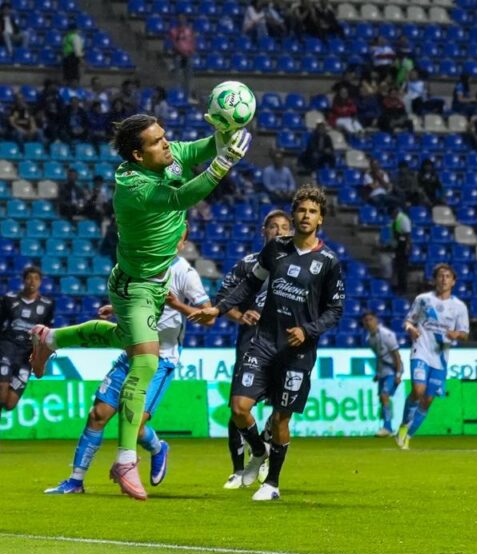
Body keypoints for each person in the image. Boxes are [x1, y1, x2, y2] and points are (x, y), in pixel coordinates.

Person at [28, 115, 252, 496]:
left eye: (165, 136)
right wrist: (223, 164)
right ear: (137, 155)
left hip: (151, 283)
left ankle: (50, 339)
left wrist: (225, 133)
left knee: (123, 339)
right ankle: (125, 460)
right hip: (136, 287)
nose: (166, 144)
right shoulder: (134, 187)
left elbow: (201, 147)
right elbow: (181, 197)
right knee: (146, 362)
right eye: (156, 141)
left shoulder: (166, 156)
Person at [190, 184, 345, 501]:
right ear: (294, 215)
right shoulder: (275, 249)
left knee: (280, 419)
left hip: (296, 351)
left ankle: (272, 483)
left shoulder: (328, 261)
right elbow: (249, 284)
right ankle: (258, 451)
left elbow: (335, 310)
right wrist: (219, 309)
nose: (306, 216)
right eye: (301, 210)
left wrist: (308, 330)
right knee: (239, 408)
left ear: (321, 219)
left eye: (313, 212)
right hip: (263, 342)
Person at [45, 232, 211, 498]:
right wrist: (116, 308)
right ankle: (75, 481)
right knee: (98, 414)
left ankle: (157, 448)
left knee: (135, 423)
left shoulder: (185, 274)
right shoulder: (144, 264)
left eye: (178, 238)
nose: (172, 241)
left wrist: (177, 304)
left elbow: (209, 317)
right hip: (131, 351)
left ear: (183, 243)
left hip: (161, 358)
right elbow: (139, 301)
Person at [212, 209, 293, 487]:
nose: (279, 231)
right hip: (251, 343)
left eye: (284, 227)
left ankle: (266, 453)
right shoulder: (247, 264)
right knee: (239, 407)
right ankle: (239, 468)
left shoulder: (300, 266)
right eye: (273, 226)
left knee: (280, 410)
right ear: (264, 231)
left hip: (285, 346)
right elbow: (223, 299)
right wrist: (240, 315)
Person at [395, 264, 469, 450]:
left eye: (448, 276)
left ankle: (408, 435)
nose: (444, 279)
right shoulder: (423, 300)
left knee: (427, 400)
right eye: (440, 276)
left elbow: (465, 334)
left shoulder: (459, 307)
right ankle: (404, 424)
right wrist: (411, 329)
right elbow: (408, 321)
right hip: (421, 350)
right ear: (435, 279)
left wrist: (456, 334)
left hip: (440, 358)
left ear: (453, 281)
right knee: (418, 390)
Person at [0, 266, 55, 453]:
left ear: (40, 282)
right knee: (2, 390)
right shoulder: (10, 299)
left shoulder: (47, 304)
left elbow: (47, 333)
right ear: (24, 280)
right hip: (7, 348)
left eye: (36, 278)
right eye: (29, 278)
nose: (32, 282)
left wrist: (42, 357)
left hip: (26, 356)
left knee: (9, 404)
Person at [362, 311, 402, 437]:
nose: (369, 322)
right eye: (366, 320)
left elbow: (396, 355)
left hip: (392, 369)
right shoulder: (369, 338)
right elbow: (379, 357)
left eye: (371, 319)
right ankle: (387, 426)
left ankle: (387, 427)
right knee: (382, 398)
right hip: (383, 371)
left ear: (376, 320)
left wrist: (398, 374)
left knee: (385, 396)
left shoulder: (386, 334)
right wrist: (378, 373)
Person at [167, 15, 195, 99]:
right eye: (180, 19)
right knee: (177, 75)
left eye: (183, 19)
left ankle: (187, 95)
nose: (181, 21)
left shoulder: (189, 31)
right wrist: (182, 52)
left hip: (188, 55)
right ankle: (177, 94)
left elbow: (192, 42)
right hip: (178, 55)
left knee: (188, 76)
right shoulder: (174, 31)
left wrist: (191, 51)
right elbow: (174, 44)